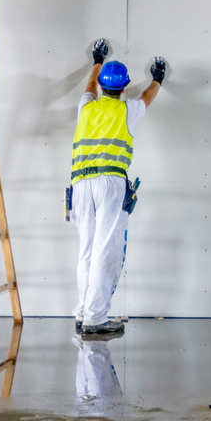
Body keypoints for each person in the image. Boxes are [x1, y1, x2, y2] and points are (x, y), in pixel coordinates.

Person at [71, 38, 167, 335]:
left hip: (80, 184)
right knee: (105, 250)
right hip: (109, 183)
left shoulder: (86, 106)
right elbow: (148, 97)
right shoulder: (127, 110)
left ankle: (83, 311)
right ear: (124, 88)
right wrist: (158, 77)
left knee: (86, 249)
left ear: (100, 86)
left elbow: (88, 86)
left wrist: (97, 60)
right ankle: (95, 319)